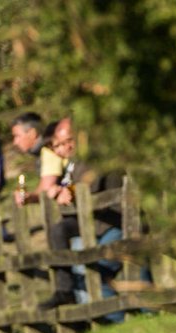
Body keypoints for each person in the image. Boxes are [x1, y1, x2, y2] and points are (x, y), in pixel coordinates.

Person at [40, 117, 128, 310]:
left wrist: (68, 191)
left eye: (69, 141)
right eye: (59, 145)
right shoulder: (73, 163)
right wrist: (59, 190)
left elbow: (89, 183)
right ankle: (67, 292)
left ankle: (114, 319)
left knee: (98, 270)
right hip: (96, 222)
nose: (66, 147)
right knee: (61, 234)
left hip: (115, 221)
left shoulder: (94, 156)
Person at [10, 112, 65, 206]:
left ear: (32, 133)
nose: (15, 142)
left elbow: (46, 188)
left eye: (17, 136)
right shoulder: (44, 150)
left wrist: (28, 197)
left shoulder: (49, 149)